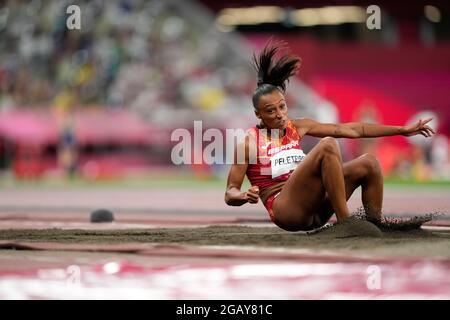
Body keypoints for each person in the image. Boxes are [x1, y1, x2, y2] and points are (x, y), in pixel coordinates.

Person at [224, 41, 435, 232]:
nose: (280, 114)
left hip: (315, 209)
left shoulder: (298, 126)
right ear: (257, 114)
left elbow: (353, 130)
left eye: (282, 106)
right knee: (327, 145)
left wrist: (402, 129)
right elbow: (230, 193)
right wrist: (243, 196)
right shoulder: (248, 143)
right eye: (271, 111)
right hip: (287, 211)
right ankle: (346, 223)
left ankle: (374, 225)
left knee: (369, 163)